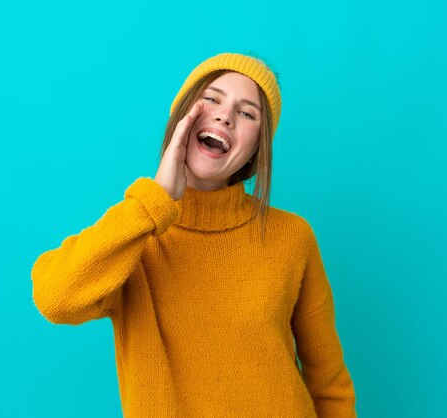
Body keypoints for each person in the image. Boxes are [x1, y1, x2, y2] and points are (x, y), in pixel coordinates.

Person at [31, 52, 356, 417]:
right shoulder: (135, 234)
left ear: (256, 148)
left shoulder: (292, 237)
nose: (225, 115)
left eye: (247, 113)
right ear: (181, 116)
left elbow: (329, 383)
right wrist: (152, 203)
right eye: (212, 98)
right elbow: (55, 297)